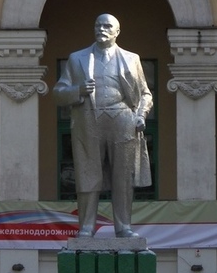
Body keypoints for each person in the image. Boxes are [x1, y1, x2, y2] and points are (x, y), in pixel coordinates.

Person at [53, 14, 153, 239]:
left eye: (108, 26)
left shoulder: (131, 58)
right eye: (98, 25)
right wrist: (77, 90)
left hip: (123, 119)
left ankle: (123, 226)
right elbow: (58, 94)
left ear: (117, 32)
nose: (102, 29)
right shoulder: (77, 58)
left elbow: (145, 94)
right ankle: (86, 227)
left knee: (123, 176)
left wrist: (141, 115)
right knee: (88, 175)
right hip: (89, 120)